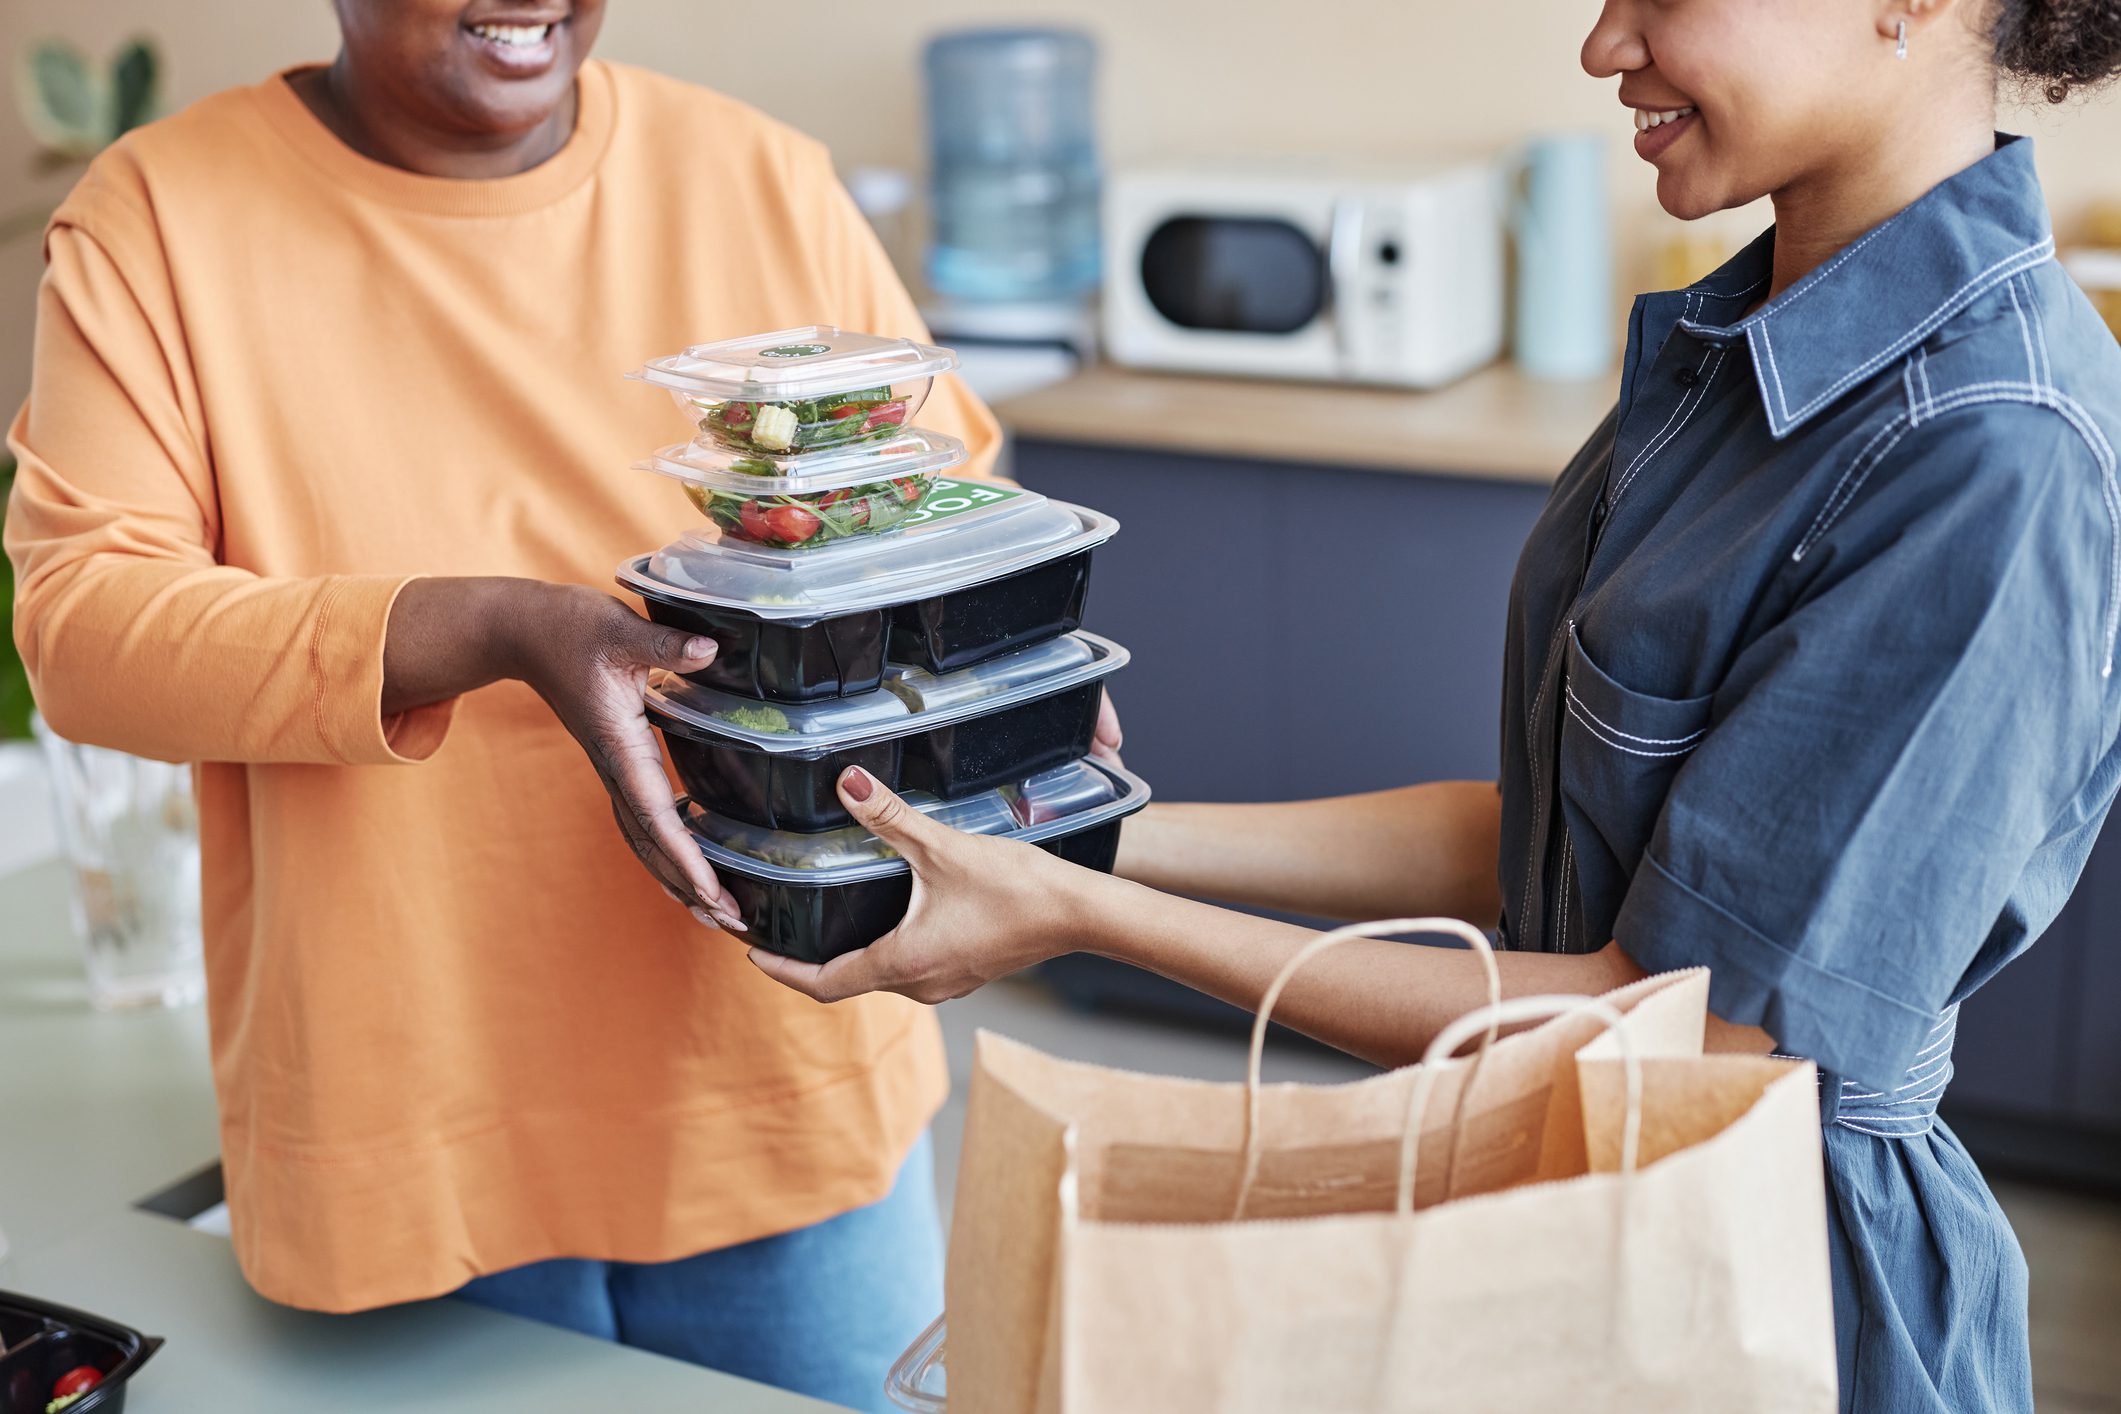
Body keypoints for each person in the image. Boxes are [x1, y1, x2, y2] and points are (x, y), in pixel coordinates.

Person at [742, 0, 2121, 1408]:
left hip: (1777, 1288)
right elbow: (1550, 847)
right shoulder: (1758, 338)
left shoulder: (1990, 453)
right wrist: (1075, 840)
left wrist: (1085, 916)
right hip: (1576, 1215)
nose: (1602, 43)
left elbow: (1669, 1028)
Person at [3, 4, 1128, 1409]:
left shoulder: (759, 179)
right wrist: (484, 625)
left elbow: (953, 506)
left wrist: (999, 695)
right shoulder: (161, 222)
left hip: (776, 1088)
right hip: (410, 1117)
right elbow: (88, 629)